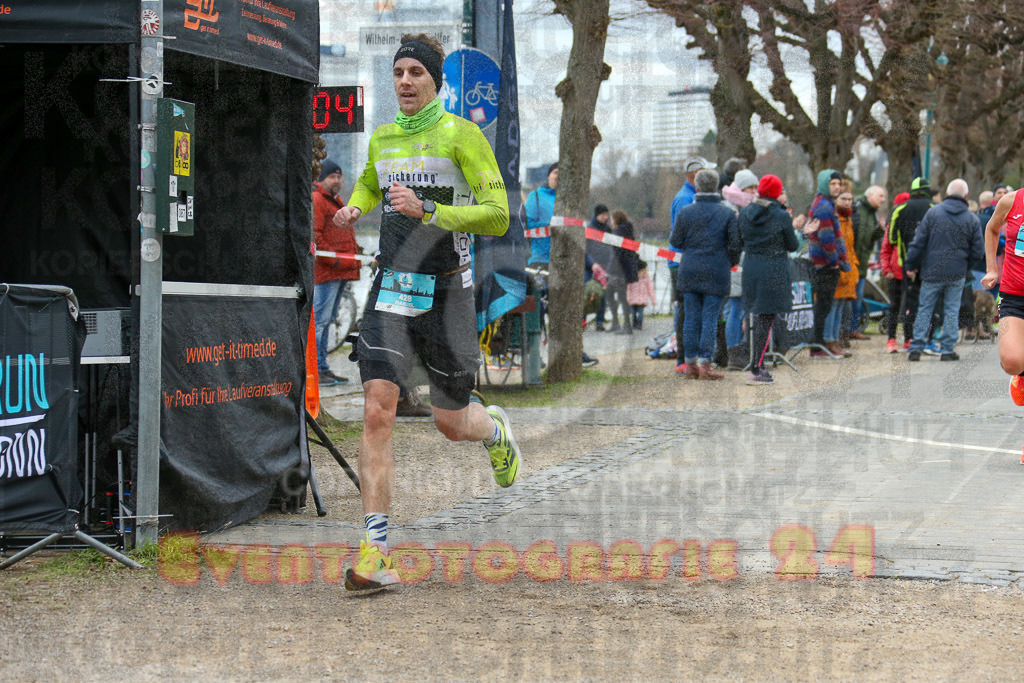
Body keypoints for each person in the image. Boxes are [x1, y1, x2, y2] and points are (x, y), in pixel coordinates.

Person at [331, 34, 518, 590]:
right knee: (377, 409)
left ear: (436, 81)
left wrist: (430, 208)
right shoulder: (384, 137)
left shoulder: (463, 136)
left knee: (450, 421)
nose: (406, 81)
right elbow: (371, 180)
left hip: (448, 291)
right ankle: (375, 549)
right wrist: (355, 206)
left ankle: (494, 432)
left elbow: (498, 215)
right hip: (393, 288)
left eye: (416, 72)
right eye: (399, 73)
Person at [670, 169, 741, 379]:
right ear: (716, 187)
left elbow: (675, 241)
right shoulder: (727, 213)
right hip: (717, 270)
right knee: (710, 317)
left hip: (689, 269)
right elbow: (735, 246)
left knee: (690, 318)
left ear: (697, 187)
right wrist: (729, 262)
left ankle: (689, 364)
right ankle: (706, 365)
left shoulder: (686, 212)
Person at [904, 179, 984, 362]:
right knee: (951, 310)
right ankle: (947, 350)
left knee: (924, 308)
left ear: (947, 194)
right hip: (957, 272)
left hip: (932, 270)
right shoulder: (971, 218)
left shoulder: (933, 214)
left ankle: (916, 348)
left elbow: (919, 241)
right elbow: (978, 251)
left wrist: (911, 264)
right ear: (966, 196)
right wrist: (966, 266)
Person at [738, 174, 799, 384]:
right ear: (776, 193)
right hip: (773, 268)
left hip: (751, 267)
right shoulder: (781, 216)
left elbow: (739, 240)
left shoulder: (744, 213)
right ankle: (756, 367)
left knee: (754, 317)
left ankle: (757, 363)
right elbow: (792, 245)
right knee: (766, 319)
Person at [312, 159, 359, 386]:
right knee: (320, 321)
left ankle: (323, 367)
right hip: (326, 271)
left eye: (339, 177)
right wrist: (336, 260)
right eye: (333, 177)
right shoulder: (318, 200)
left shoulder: (334, 200)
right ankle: (316, 369)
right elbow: (316, 236)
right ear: (322, 179)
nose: (337, 181)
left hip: (340, 270)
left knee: (328, 321)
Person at [669, 156, 714, 372]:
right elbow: (683, 234)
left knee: (692, 309)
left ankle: (691, 358)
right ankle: (682, 361)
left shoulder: (693, 196)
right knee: (686, 310)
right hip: (681, 263)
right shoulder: (684, 199)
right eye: (706, 172)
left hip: (693, 260)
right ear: (696, 175)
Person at [981, 187, 1024, 405]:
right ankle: (1021, 376)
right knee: (1012, 361)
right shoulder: (1011, 201)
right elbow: (991, 228)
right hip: (1014, 294)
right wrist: (991, 269)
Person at [807, 169, 851, 357]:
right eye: (833, 183)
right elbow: (827, 238)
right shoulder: (824, 207)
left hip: (823, 263)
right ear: (825, 184)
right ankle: (818, 346)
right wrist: (834, 261)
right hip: (824, 265)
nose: (837, 187)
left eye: (838, 184)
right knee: (823, 306)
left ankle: (819, 345)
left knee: (824, 306)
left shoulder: (825, 203)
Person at [888, 177, 935, 350]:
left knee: (910, 302)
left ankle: (909, 339)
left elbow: (892, 238)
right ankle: (927, 339)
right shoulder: (934, 208)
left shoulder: (900, 209)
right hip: (931, 265)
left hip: (907, 264)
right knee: (929, 301)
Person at [722, 169, 758, 367]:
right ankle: (733, 350)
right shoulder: (731, 208)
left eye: (755, 188)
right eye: (749, 188)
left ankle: (740, 350)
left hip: (746, 264)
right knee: (736, 309)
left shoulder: (747, 206)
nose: (753, 191)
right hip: (736, 265)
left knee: (742, 309)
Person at [824, 185, 858, 357]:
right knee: (832, 305)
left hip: (847, 268)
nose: (847, 202)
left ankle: (835, 338)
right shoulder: (834, 218)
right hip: (836, 266)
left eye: (850, 199)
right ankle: (829, 339)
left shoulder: (848, 219)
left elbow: (850, 247)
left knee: (839, 305)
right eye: (843, 199)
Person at [851, 185, 888, 339]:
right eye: (880, 196)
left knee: (858, 297)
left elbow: (869, 238)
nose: (883, 200)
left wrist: (879, 230)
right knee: (848, 298)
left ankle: (853, 329)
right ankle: (845, 330)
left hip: (862, 263)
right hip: (852, 262)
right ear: (870, 195)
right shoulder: (857, 207)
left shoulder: (872, 213)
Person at [881, 191, 911, 352]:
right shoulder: (891, 227)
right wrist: (886, 269)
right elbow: (885, 249)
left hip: (909, 272)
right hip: (894, 272)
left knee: (909, 306)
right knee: (894, 306)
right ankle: (891, 338)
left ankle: (908, 338)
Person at [607, 210, 640, 335]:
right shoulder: (628, 231)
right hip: (626, 269)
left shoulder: (618, 232)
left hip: (618, 270)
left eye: (612, 219)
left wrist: (610, 270)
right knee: (620, 296)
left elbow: (616, 253)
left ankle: (624, 324)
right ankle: (623, 323)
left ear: (616, 219)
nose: (611, 221)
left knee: (614, 295)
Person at [587, 203, 614, 331]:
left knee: (603, 294)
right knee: (588, 293)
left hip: (605, 265)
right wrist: (591, 263)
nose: (605, 217)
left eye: (606, 214)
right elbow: (586, 248)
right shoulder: (590, 228)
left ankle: (599, 321)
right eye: (603, 215)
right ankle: (583, 320)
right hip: (591, 266)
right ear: (597, 215)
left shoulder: (608, 229)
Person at [626, 260, 656, 330]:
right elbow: (628, 289)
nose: (645, 271)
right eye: (643, 270)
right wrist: (627, 298)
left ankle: (639, 324)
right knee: (633, 313)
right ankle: (634, 323)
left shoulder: (646, 278)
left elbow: (650, 289)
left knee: (640, 313)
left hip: (642, 299)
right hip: (632, 299)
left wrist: (653, 300)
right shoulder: (631, 277)